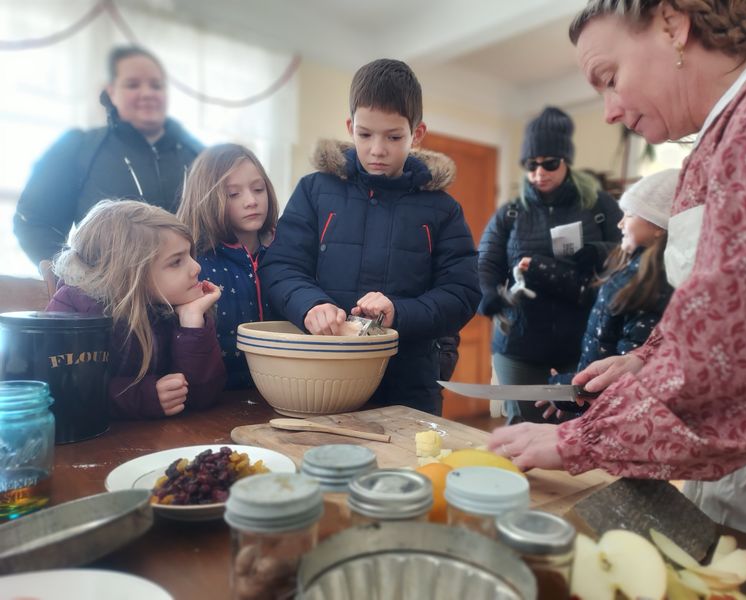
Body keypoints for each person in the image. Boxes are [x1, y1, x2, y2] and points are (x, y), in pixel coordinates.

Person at [489, 0, 746, 550]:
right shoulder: (732, 126)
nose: (608, 110)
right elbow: (736, 299)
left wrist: (580, 439)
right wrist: (646, 358)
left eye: (609, 79)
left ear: (673, 25)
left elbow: (736, 350)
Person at [262, 58, 481, 415]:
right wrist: (311, 305)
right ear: (350, 127)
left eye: (394, 137)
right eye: (365, 134)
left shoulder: (443, 209)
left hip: (410, 387)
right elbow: (281, 266)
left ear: (418, 133)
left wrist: (400, 312)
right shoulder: (315, 191)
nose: (377, 149)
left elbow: (462, 293)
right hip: (324, 379)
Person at [477, 106, 622, 424]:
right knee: (524, 428)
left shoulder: (600, 206)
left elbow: (631, 252)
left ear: (566, 161)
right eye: (531, 165)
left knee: (578, 429)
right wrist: (488, 292)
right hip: (519, 343)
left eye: (549, 164)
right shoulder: (511, 212)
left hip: (583, 344)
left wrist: (598, 251)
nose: (539, 174)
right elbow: (486, 259)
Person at [14, 45, 203, 265]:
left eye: (156, 85)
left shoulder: (200, 155)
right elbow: (35, 220)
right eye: (133, 84)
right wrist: (72, 278)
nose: (148, 93)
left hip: (198, 291)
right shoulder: (78, 148)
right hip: (109, 297)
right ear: (111, 91)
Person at [46, 200, 225, 419]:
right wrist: (142, 397)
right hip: (95, 446)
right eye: (176, 262)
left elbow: (203, 397)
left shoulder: (177, 304)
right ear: (130, 274)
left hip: (162, 440)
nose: (196, 267)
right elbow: (61, 392)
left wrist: (192, 322)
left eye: (190, 255)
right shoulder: (75, 308)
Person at [544, 169, 677, 419]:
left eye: (629, 214)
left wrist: (569, 388)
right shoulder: (632, 268)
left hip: (614, 415)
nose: (620, 223)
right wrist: (573, 387)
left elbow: (627, 366)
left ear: (659, 226)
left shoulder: (656, 283)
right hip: (595, 405)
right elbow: (604, 342)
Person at [177, 143, 280, 389]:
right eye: (234, 194)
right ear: (207, 198)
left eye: (258, 189)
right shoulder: (196, 263)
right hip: (217, 393)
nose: (251, 201)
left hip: (282, 387)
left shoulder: (285, 251)